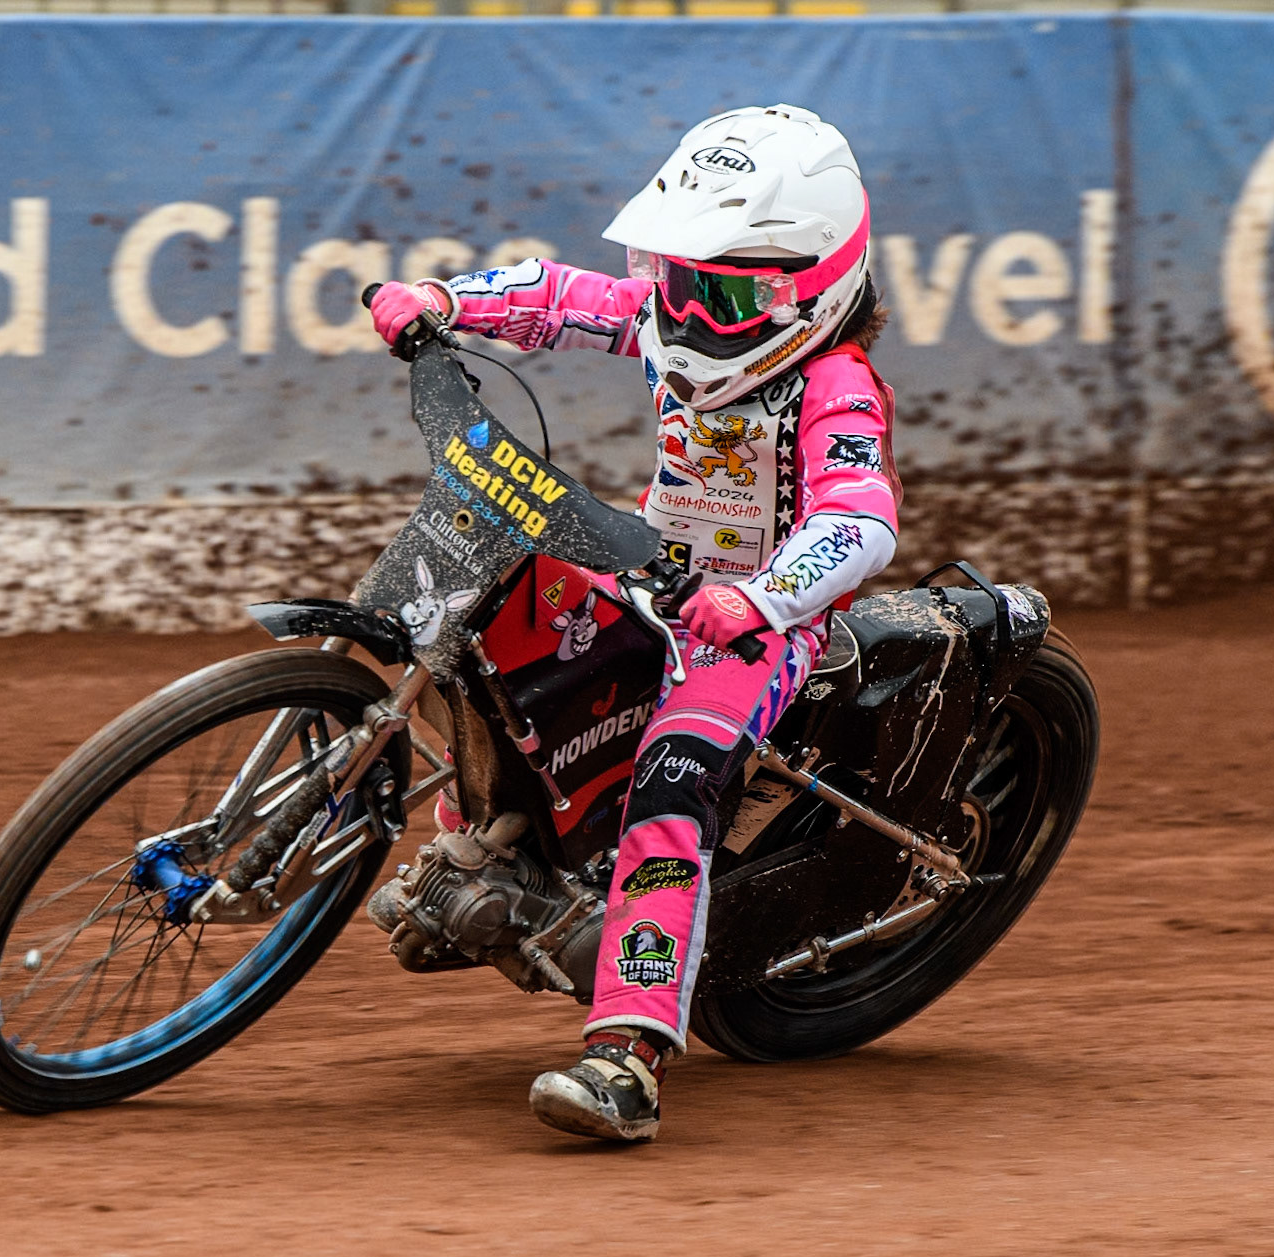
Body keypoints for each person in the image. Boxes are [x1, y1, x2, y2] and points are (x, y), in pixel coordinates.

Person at [368, 104, 902, 1143]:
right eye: (677, 275)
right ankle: (480, 852)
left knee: (671, 781)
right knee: (487, 616)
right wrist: (442, 300)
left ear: (813, 288)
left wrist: (758, 597)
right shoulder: (673, 317)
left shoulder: (834, 386)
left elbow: (862, 520)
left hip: (757, 627)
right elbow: (562, 297)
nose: (688, 310)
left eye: (724, 288)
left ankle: (628, 1055)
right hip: (652, 572)